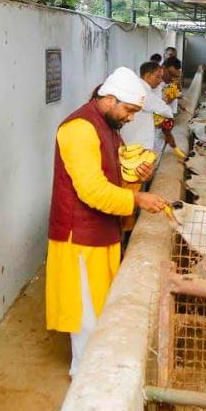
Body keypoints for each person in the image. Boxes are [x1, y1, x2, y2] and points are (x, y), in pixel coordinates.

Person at [46, 67, 168, 377]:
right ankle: (85, 379)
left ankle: (93, 371)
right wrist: (138, 200)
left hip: (101, 232)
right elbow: (92, 191)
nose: (130, 118)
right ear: (110, 99)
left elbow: (113, 176)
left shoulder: (107, 125)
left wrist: (136, 179)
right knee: (87, 317)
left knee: (101, 308)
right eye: (128, 110)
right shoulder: (78, 129)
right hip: (81, 237)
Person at [120, 61, 173, 153]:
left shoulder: (140, 87)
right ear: (148, 75)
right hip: (136, 141)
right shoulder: (141, 90)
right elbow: (162, 108)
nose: (161, 80)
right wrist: (170, 115)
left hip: (135, 138)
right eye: (158, 77)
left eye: (161, 77)